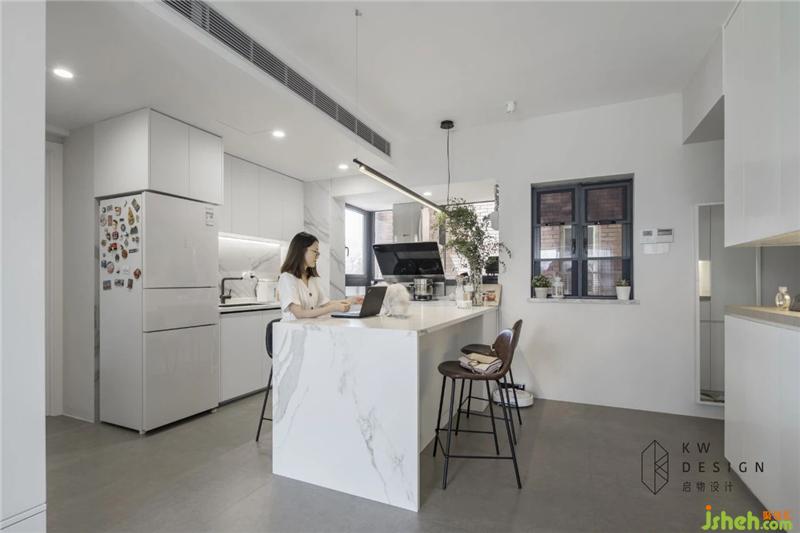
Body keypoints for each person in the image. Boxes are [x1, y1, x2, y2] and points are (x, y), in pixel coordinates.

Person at [278, 232, 351, 320]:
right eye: (315, 252)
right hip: (292, 328)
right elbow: (299, 314)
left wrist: (351, 301)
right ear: (301, 251)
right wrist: (333, 308)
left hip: (309, 326)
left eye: (318, 253)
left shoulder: (312, 279)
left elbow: (325, 304)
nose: (317, 256)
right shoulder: (287, 278)